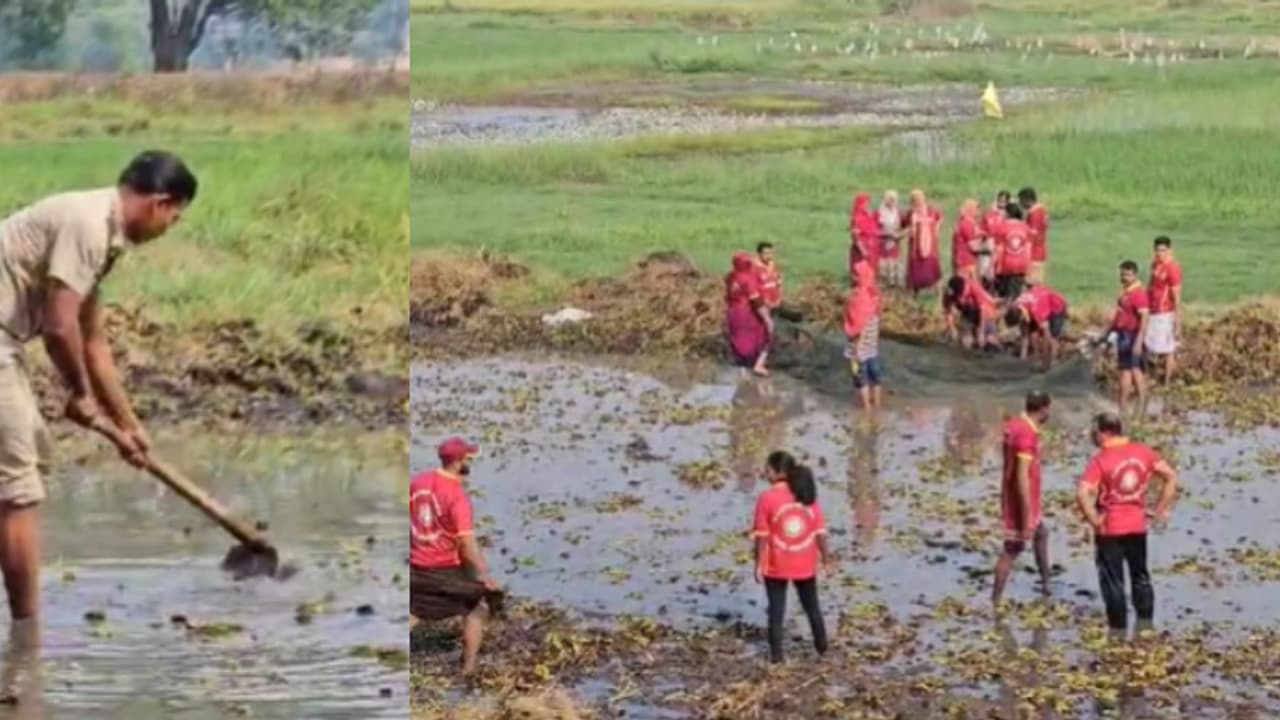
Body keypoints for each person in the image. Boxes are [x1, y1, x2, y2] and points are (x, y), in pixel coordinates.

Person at [0, 150, 197, 622]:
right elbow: (58, 326)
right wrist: (81, 396)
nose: (169, 229)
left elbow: (93, 345)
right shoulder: (87, 225)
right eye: (175, 219)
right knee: (17, 488)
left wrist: (130, 427)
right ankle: (29, 635)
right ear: (160, 204)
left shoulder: (103, 236)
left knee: (32, 456)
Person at [1076, 413, 1178, 635]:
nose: (1092, 436)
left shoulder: (1100, 460)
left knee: (1113, 582)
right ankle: (1145, 625)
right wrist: (1160, 509)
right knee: (1140, 576)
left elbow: (1083, 492)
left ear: (1104, 433)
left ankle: (1118, 630)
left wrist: (1094, 520)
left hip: (1110, 528)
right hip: (1137, 526)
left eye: (1094, 432)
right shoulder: (1143, 452)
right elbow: (1170, 476)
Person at [410, 437, 502, 676]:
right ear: (459, 461)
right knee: (477, 609)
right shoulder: (457, 497)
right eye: (468, 458)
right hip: (443, 567)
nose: (469, 461)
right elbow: (467, 545)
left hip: (416, 564)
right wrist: (484, 576)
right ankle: (469, 667)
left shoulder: (418, 482)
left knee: (416, 609)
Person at [752, 452, 830, 664]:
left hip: (777, 563)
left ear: (778, 472)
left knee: (776, 610)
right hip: (804, 561)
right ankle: (822, 648)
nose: (765, 473)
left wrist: (759, 564)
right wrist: (827, 559)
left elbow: (761, 536)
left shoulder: (767, 498)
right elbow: (819, 532)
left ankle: (777, 657)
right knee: (812, 606)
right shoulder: (806, 494)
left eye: (767, 469)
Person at [992, 391, 1053, 607]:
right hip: (1020, 500)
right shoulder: (1026, 435)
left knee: (1041, 533)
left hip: (1017, 494)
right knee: (1012, 549)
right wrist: (1026, 516)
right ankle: (996, 601)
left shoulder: (1015, 425)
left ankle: (1046, 581)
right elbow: (1021, 477)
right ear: (1044, 409)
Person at [844, 244, 883, 410]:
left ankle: (867, 408)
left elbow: (857, 324)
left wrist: (858, 349)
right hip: (873, 347)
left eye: (854, 274)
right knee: (876, 377)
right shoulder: (874, 294)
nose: (852, 276)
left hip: (859, 349)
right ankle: (878, 405)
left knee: (862, 380)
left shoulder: (857, 298)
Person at [1110, 261, 1150, 415]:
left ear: (1135, 275)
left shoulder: (1138, 293)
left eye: (1127, 275)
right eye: (1122, 274)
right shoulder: (1126, 292)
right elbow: (1119, 315)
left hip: (1131, 335)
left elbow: (1145, 317)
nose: (1124, 277)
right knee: (1132, 368)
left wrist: (1139, 340)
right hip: (1123, 334)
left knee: (1128, 369)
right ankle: (1137, 402)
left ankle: (1125, 402)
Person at [725, 252, 773, 376]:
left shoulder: (730, 276)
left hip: (733, 312)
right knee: (765, 334)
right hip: (746, 313)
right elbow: (755, 301)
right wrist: (767, 318)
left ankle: (742, 366)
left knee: (738, 338)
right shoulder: (747, 278)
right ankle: (759, 365)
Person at [1145, 236, 1183, 385]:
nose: (1160, 253)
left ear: (1169, 250)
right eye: (1157, 250)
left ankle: (1167, 382)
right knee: (1150, 345)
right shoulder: (1155, 265)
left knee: (1168, 349)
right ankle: (1152, 376)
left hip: (1165, 312)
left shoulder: (1173, 269)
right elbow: (1151, 286)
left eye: (1163, 250)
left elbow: (1177, 296)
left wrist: (1177, 321)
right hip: (1153, 311)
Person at [1005, 283, 1069, 368]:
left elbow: (1047, 334)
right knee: (1033, 334)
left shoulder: (1036, 310)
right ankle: (1037, 359)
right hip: (1041, 302)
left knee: (1053, 337)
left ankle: (1053, 360)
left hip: (1057, 307)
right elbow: (1027, 335)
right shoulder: (1018, 303)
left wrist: (1044, 356)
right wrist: (1024, 358)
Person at [904, 189, 943, 296]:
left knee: (932, 267)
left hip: (930, 245)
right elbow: (905, 224)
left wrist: (936, 229)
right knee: (916, 269)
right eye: (916, 200)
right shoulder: (911, 213)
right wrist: (909, 230)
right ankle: (915, 293)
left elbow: (940, 218)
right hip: (916, 246)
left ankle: (938, 292)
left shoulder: (930, 210)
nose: (918, 202)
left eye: (920, 200)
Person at [942, 275, 998, 350]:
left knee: (987, 342)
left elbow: (982, 311)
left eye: (960, 295)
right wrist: (952, 329)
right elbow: (948, 310)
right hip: (968, 313)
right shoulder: (950, 292)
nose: (960, 298)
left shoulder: (973, 287)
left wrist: (981, 332)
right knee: (965, 341)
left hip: (986, 314)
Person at [994, 203, 1031, 301]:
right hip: (1021, 264)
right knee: (1016, 294)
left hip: (1006, 264)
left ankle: (1006, 312)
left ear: (1008, 213)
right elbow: (1028, 249)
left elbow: (999, 250)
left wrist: (995, 266)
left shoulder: (1002, 227)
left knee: (1004, 294)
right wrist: (1027, 266)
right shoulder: (1025, 227)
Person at [979, 191, 1010, 286]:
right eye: (1000, 200)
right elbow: (982, 229)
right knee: (985, 272)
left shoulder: (1009, 214)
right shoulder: (989, 213)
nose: (1001, 202)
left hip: (1002, 246)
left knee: (1000, 272)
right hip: (989, 245)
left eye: (1004, 201)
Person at [1019, 187, 1048, 281]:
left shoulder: (1035, 213)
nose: (1021, 204)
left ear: (1027, 200)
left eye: (1021, 201)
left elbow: (1033, 233)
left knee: (1032, 280)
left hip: (1034, 250)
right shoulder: (1041, 210)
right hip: (1040, 248)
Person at [876, 190, 904, 288]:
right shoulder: (880, 212)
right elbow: (875, 229)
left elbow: (902, 225)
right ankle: (884, 283)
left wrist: (900, 234)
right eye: (891, 199)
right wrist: (887, 234)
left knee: (895, 262)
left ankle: (894, 283)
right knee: (884, 264)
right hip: (883, 242)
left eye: (894, 200)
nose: (893, 202)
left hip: (894, 242)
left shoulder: (897, 211)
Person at [849, 193, 881, 278]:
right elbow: (855, 236)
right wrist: (862, 249)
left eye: (867, 203)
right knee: (861, 273)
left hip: (871, 247)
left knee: (871, 272)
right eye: (865, 203)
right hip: (862, 249)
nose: (867, 205)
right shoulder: (857, 217)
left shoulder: (868, 215)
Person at [951, 199, 982, 280]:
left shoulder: (966, 221)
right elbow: (973, 246)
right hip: (966, 260)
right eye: (977, 209)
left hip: (964, 259)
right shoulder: (967, 223)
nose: (979, 212)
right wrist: (987, 250)